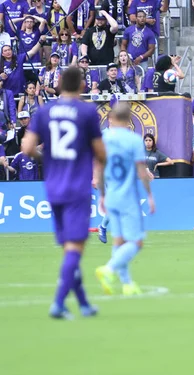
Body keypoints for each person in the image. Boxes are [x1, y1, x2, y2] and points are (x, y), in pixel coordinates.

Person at [21, 66, 107, 319]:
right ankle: (58, 303)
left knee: (69, 248)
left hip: (53, 187)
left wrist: (49, 157)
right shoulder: (87, 112)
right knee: (74, 248)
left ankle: (83, 304)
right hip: (77, 187)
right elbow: (101, 153)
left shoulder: (45, 111)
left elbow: (27, 148)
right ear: (82, 86)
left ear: (58, 83)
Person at [95, 103, 155, 296]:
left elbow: (99, 167)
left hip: (111, 194)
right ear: (129, 119)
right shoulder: (133, 140)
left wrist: (102, 195)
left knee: (118, 242)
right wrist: (150, 195)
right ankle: (109, 269)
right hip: (128, 196)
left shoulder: (103, 138)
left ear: (111, 118)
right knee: (136, 242)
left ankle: (128, 284)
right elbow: (140, 170)